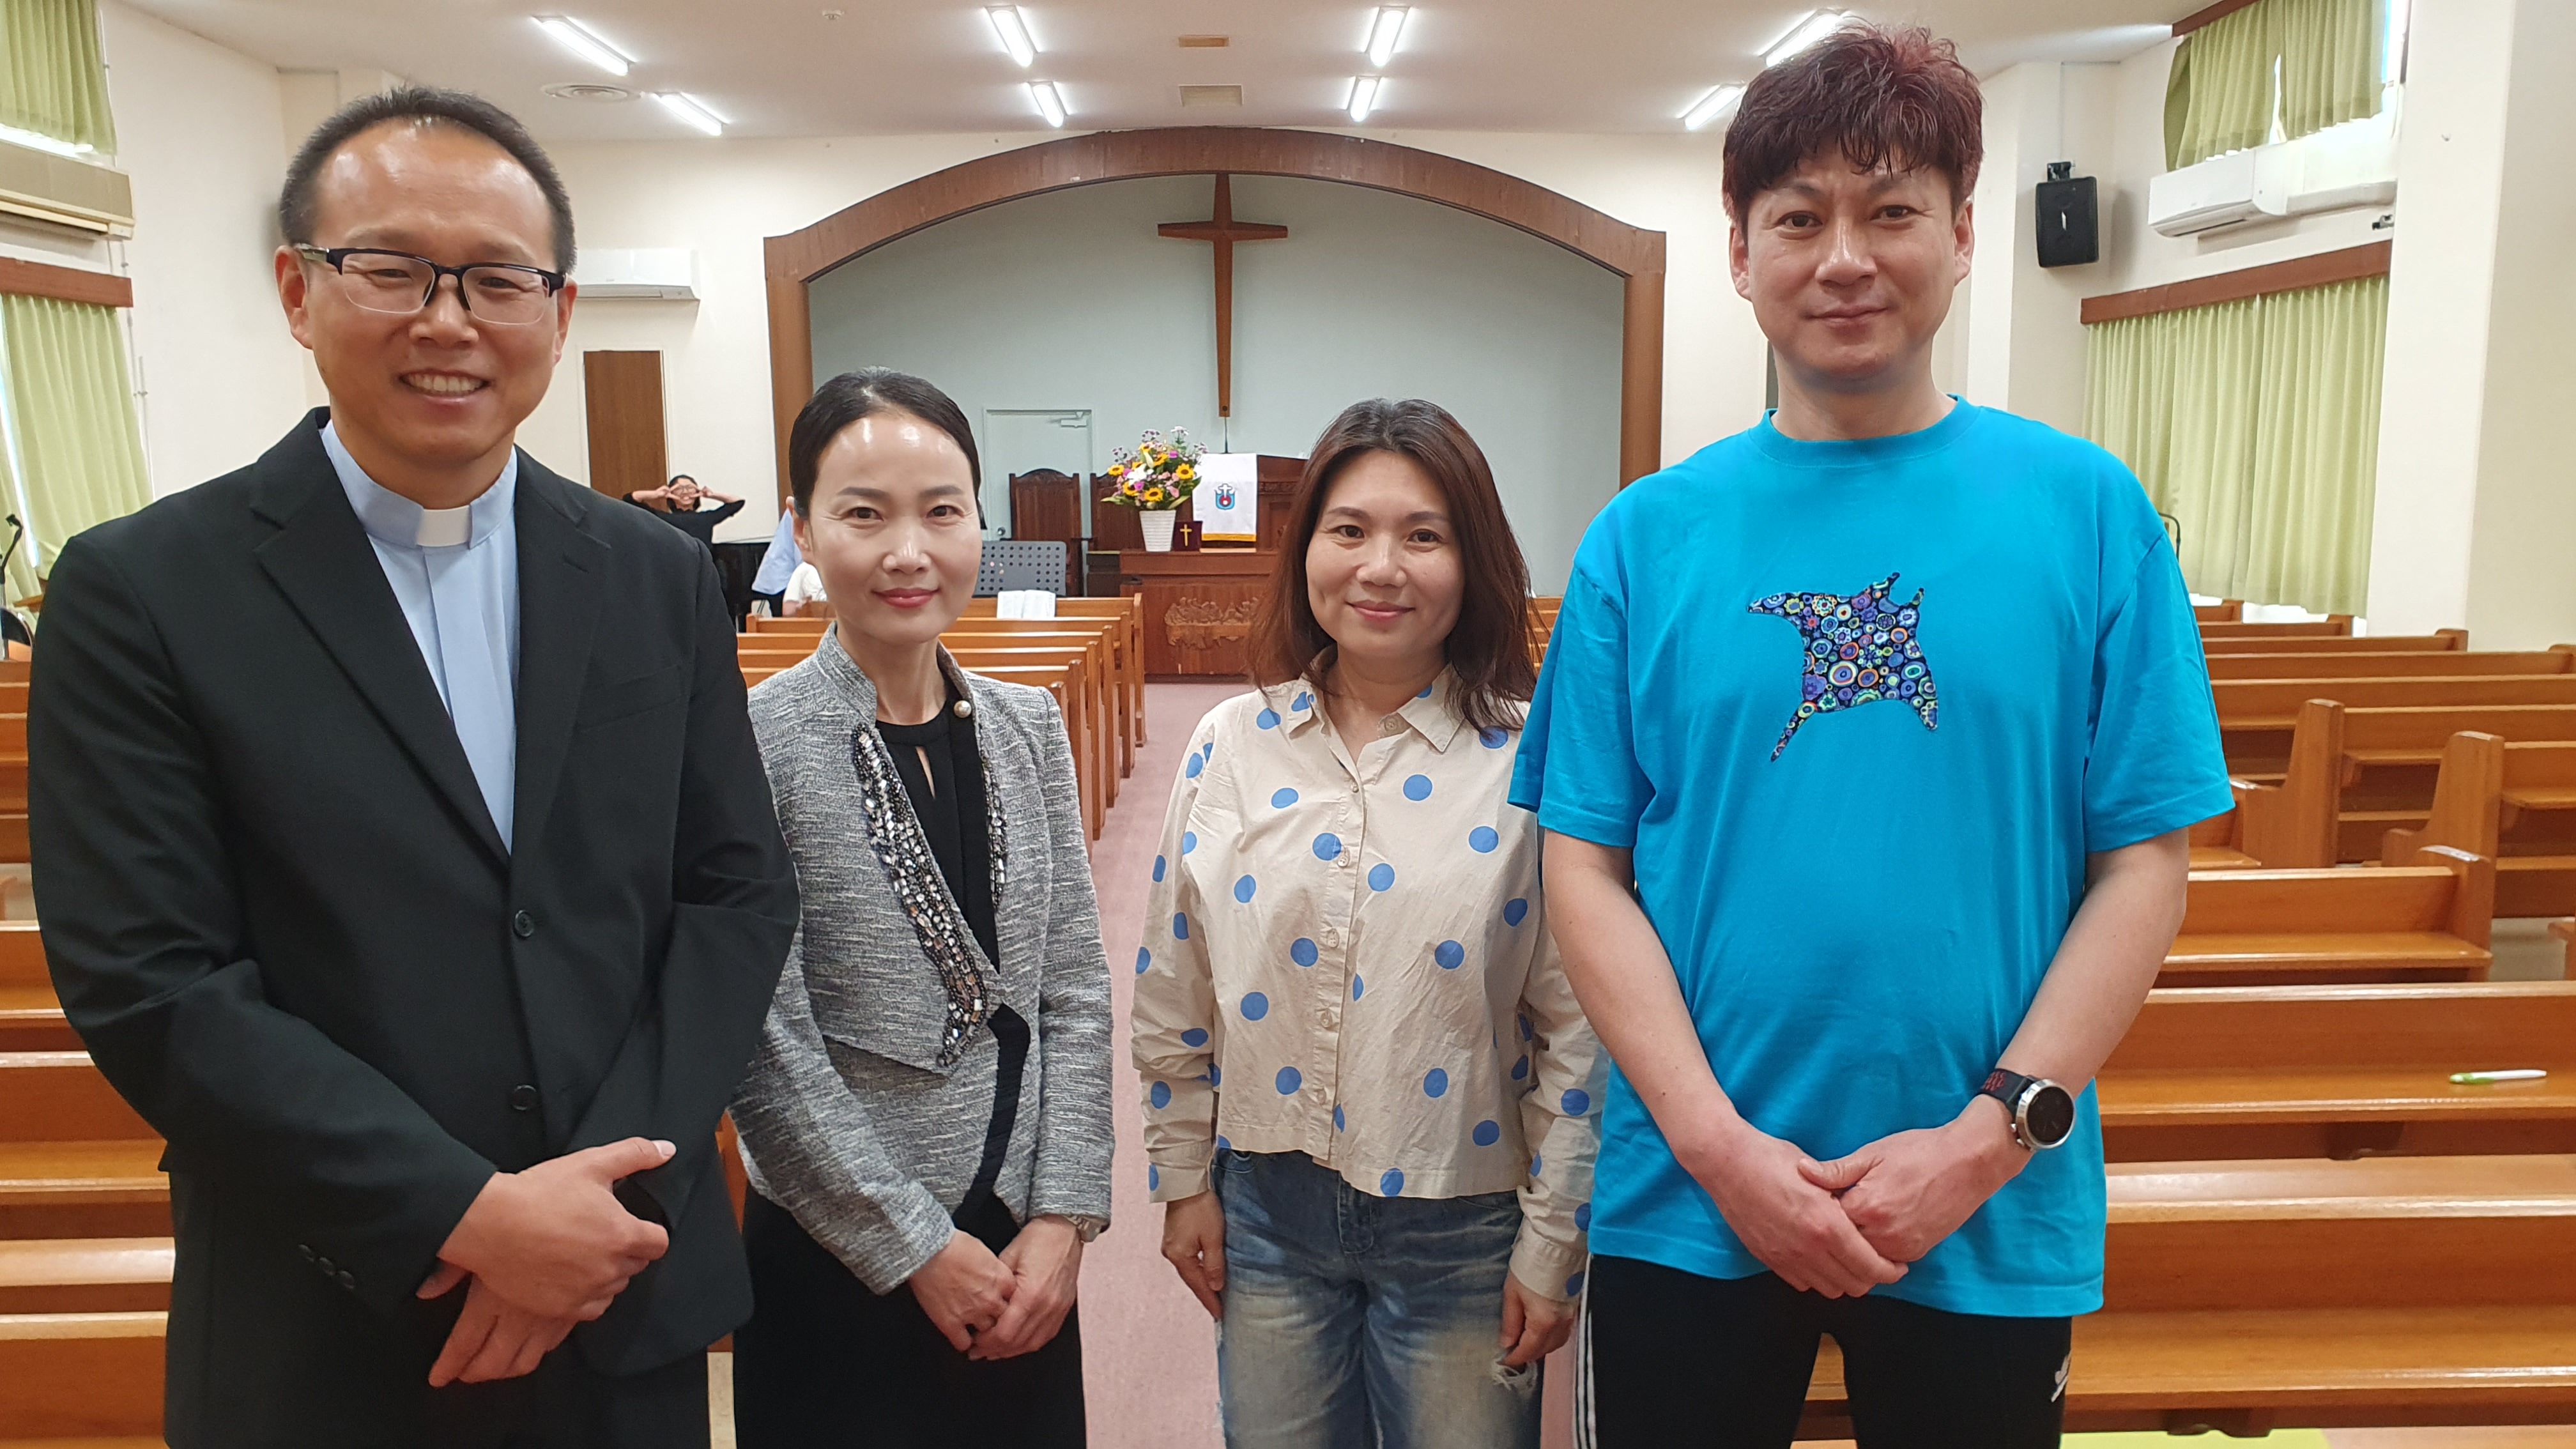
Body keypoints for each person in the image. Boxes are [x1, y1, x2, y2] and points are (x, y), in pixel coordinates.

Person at [26, 89, 799, 1446]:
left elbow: (733, 892)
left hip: (620, 1299)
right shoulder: (145, 592)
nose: (448, 321)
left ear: (558, 312)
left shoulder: (654, 575)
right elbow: (151, 982)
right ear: (298, 290)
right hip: (328, 1320)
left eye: (498, 280)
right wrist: (466, 1214)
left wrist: (604, 1199)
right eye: (390, 269)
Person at [1510, 24, 2232, 1447]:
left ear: (1961, 235)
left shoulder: (2088, 513)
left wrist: (1988, 1137)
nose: (1844, 257)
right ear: (1740, 252)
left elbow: (2145, 861)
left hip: (1986, 1201)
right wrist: (1722, 1151)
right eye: (1799, 218)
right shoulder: (1643, 538)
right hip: (1691, 1199)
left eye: (1891, 210)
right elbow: (1583, 867)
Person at [1134, 398, 1604, 1449]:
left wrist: (1552, 1238)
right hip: (1265, 1211)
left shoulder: (1531, 759)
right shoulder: (1231, 743)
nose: (1380, 567)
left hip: (1464, 1222)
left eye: (1422, 535)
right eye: (1348, 529)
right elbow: (1174, 978)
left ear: (1472, 561)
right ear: (1306, 548)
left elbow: (1579, 1027)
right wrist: (1182, 1177)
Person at [728, 367, 1114, 1447]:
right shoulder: (753, 743)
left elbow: (1075, 989)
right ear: (803, 530)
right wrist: (913, 1245)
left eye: (942, 511)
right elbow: (763, 1039)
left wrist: (1064, 1216)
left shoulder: (1027, 724)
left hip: (1020, 1249)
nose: (909, 551)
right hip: (836, 1245)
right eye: (865, 515)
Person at [625, 473, 746, 552]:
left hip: (703, 570)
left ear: (697, 492)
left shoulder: (707, 517)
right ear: (671, 493)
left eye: (689, 488)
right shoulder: (662, 518)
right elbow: (630, 500)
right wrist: (656, 494)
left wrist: (711, 495)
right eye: (679, 489)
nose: (685, 492)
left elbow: (738, 502)